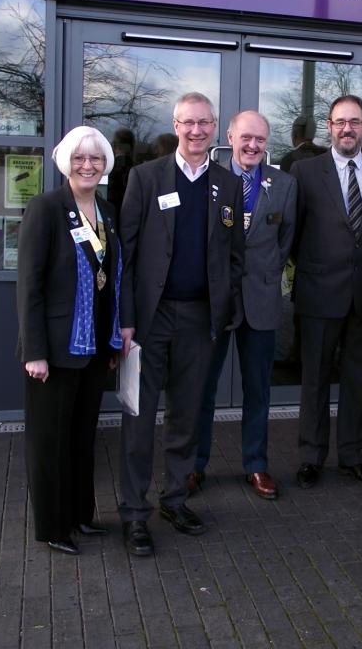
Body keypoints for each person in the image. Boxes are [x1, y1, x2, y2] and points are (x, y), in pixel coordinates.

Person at [117, 92, 244, 557]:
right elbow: (126, 256)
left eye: (204, 124)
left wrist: (222, 310)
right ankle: (134, 513)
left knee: (186, 416)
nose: (196, 131)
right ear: (176, 125)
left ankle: (174, 499)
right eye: (188, 123)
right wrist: (126, 320)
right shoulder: (145, 177)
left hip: (199, 319)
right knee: (138, 416)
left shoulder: (228, 185)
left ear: (214, 129)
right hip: (150, 320)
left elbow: (235, 257)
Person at [16, 126, 122, 556]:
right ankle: (53, 526)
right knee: (49, 442)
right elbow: (29, 286)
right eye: (80, 158)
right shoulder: (45, 209)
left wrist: (113, 343)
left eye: (96, 158)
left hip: (94, 350)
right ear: (66, 162)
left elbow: (111, 280)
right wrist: (34, 351)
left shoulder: (106, 211)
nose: (88, 165)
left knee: (82, 438)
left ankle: (81, 514)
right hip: (55, 352)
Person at [290, 94, 362, 489]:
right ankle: (311, 456)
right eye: (339, 122)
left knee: (356, 380)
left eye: (354, 121)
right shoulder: (306, 172)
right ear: (329, 126)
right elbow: (295, 233)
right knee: (315, 379)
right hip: (319, 293)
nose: (347, 128)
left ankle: (352, 455)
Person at [191, 111, 297, 500]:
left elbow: (285, 240)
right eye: (246, 138)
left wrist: (265, 275)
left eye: (260, 140)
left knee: (258, 391)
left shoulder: (284, 184)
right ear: (230, 138)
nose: (252, 146)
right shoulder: (210, 179)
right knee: (203, 388)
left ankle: (256, 465)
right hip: (216, 301)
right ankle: (195, 465)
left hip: (262, 301)